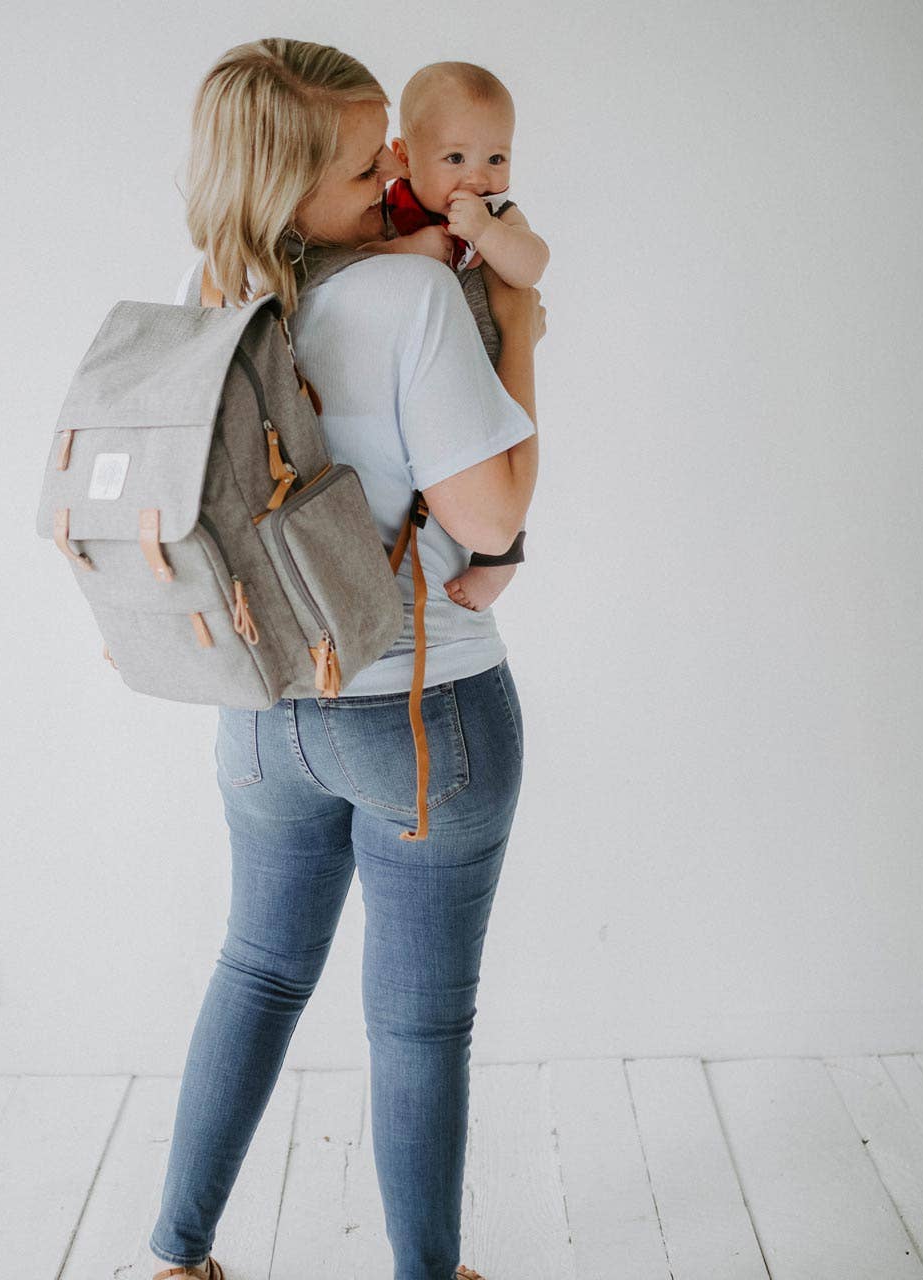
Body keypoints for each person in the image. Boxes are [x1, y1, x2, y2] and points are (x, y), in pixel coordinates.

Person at [151, 37, 545, 1280]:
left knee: (257, 967)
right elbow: (488, 521)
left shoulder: (213, 294)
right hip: (425, 711)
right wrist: (521, 328)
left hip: (264, 712)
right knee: (419, 1022)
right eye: (361, 152)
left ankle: (175, 1253)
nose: (395, 161)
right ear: (290, 182)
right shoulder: (416, 298)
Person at [359, 60, 550, 614]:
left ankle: (502, 560)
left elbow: (532, 266)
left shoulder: (500, 213)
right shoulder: (388, 213)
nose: (477, 177)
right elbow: (359, 264)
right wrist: (409, 250)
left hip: (488, 366)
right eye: (454, 158)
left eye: (496, 158)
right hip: (427, 374)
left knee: (502, 447)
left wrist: (489, 233)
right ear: (405, 155)